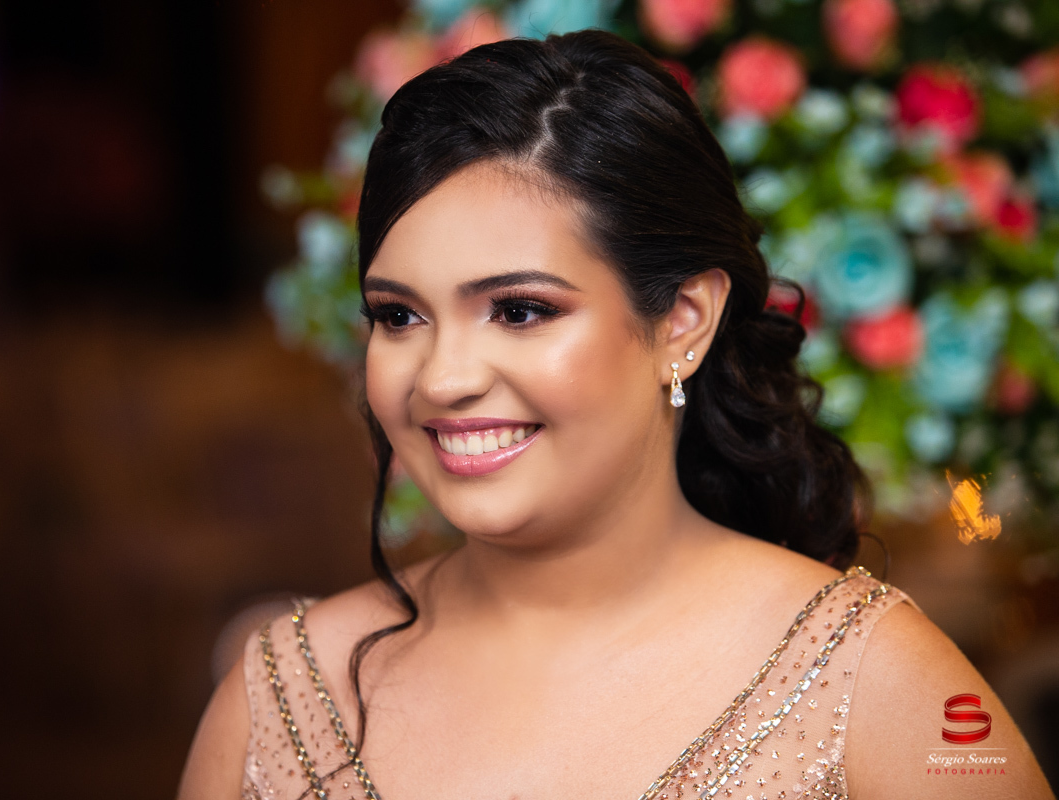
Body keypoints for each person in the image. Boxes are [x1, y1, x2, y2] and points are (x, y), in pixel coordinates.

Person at [179, 30, 1053, 800]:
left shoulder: (874, 683)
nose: (442, 380)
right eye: (399, 316)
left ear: (684, 321)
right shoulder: (283, 696)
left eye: (520, 310)